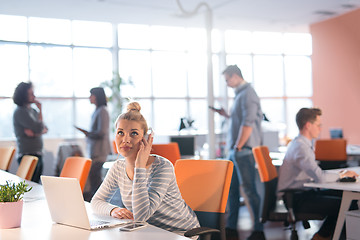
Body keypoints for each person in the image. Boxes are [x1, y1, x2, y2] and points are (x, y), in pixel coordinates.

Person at [91, 102, 200, 235]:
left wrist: (139, 167)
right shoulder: (118, 167)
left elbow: (142, 215)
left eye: (134, 134)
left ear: (147, 139)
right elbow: (96, 202)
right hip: (150, 231)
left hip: (180, 232)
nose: (125, 139)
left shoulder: (162, 167)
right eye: (120, 132)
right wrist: (112, 210)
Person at [277, 108, 358, 240]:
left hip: (302, 193)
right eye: (318, 125)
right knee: (346, 204)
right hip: (296, 198)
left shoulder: (301, 144)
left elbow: (315, 173)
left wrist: (341, 174)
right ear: (308, 125)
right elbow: (319, 177)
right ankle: (322, 237)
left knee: (346, 198)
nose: (320, 129)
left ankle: (325, 236)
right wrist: (342, 175)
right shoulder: (301, 147)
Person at [211, 65, 264, 240]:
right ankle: (231, 227)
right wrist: (226, 115)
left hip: (243, 150)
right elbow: (240, 121)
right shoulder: (240, 95)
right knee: (232, 190)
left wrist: (239, 145)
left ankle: (258, 229)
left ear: (235, 76)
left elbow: (248, 123)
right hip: (236, 150)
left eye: (227, 80)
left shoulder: (248, 94)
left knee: (249, 191)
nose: (226, 84)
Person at [75, 87, 111, 201]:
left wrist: (88, 133)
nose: (90, 98)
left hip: (99, 151)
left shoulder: (102, 111)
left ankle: (99, 203)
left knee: (95, 179)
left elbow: (102, 132)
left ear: (97, 96)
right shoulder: (97, 110)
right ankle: (98, 203)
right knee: (94, 178)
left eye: (91, 95)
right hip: (95, 150)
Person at [13, 81, 48, 183]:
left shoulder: (32, 111)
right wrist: (39, 129)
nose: (34, 96)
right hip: (27, 153)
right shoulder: (20, 111)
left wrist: (36, 133)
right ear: (24, 95)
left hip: (38, 151)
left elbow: (44, 128)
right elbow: (40, 128)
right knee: (29, 185)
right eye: (31, 94)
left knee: (36, 184)